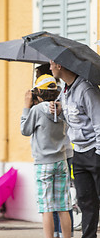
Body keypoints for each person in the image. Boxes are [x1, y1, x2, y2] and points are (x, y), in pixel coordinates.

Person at [49, 60, 100, 238]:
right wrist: (59, 110)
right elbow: (73, 120)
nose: (49, 68)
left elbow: (98, 121)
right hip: (79, 153)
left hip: (95, 151)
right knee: (86, 202)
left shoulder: (87, 89)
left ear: (60, 65)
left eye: (51, 64)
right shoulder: (65, 90)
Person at [21, 74, 72, 238]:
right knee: (63, 206)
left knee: (47, 208)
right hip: (61, 162)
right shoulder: (61, 108)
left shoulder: (36, 110)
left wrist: (26, 106)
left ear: (38, 92)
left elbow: (25, 130)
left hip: (43, 165)